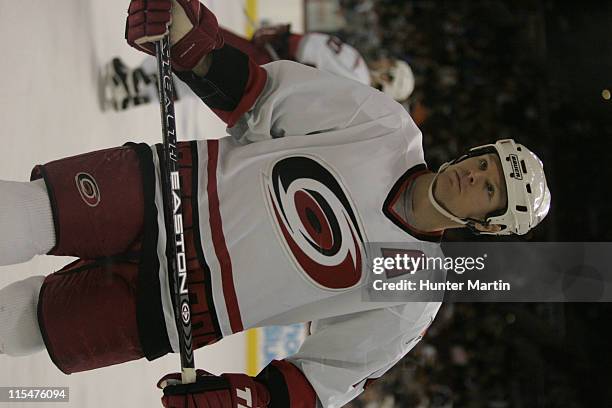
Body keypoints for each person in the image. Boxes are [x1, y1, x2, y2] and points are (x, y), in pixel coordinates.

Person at [0, 1, 550, 407]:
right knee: (26, 214)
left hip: (179, 307)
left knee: (21, 328)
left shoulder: (414, 287)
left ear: (489, 224)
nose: (474, 175)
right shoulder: (388, 129)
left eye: (490, 189)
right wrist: (191, 41)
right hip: (169, 187)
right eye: (485, 163)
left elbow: (324, 378)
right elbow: (265, 97)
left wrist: (248, 401)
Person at [102, 24, 415, 111]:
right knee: (202, 79)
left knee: (197, 40)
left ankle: (135, 80)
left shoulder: (357, 67)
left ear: (388, 77)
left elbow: (307, 48)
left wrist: (279, 38)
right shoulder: (358, 101)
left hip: (265, 61)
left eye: (390, 66)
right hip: (271, 89)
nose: (384, 62)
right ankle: (139, 92)